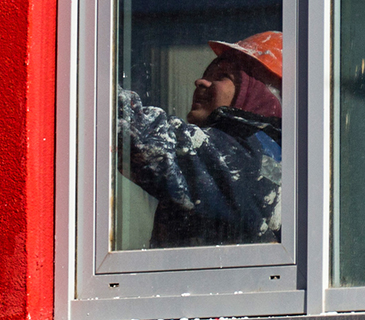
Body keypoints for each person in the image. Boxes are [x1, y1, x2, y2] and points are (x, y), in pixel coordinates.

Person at [118, 31, 282, 248]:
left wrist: (94, 89)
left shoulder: (247, 153)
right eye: (207, 75)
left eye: (222, 76)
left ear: (260, 93)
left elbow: (147, 141)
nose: (200, 82)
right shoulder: (268, 153)